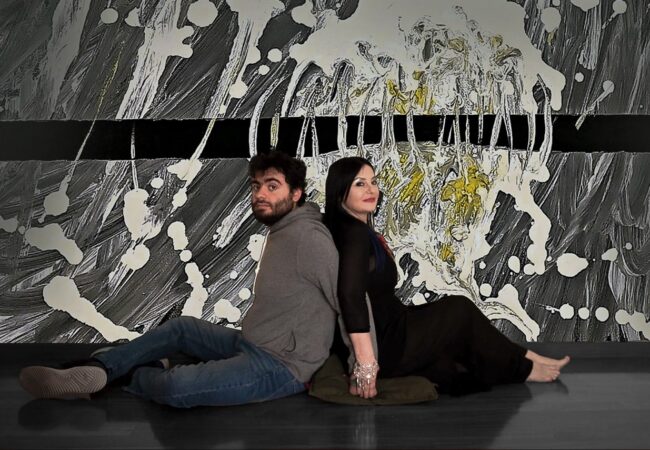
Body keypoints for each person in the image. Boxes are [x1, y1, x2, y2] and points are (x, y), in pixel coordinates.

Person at [19, 151, 340, 408]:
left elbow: (349, 301)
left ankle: (122, 375)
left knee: (176, 387)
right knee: (182, 328)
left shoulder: (310, 238)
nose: (259, 194)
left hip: (283, 366)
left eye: (272, 186)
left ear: (296, 193)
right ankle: (100, 368)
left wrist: (362, 367)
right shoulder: (283, 229)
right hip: (254, 341)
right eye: (256, 186)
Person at [324, 157, 570, 398]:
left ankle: (522, 357)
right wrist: (366, 363)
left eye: (374, 182)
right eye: (360, 184)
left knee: (458, 327)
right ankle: (524, 367)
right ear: (339, 191)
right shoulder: (354, 235)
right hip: (386, 343)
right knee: (459, 311)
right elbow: (350, 295)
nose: (371, 190)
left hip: (392, 327)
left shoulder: (353, 230)